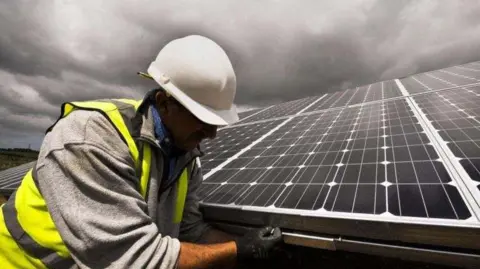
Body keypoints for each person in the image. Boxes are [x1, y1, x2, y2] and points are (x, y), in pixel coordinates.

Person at [0, 35, 282, 269]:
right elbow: (131, 259)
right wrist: (237, 250)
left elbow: (190, 231)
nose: (211, 134)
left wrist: (247, 243)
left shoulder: (186, 158)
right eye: (202, 120)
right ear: (164, 102)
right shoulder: (89, 139)